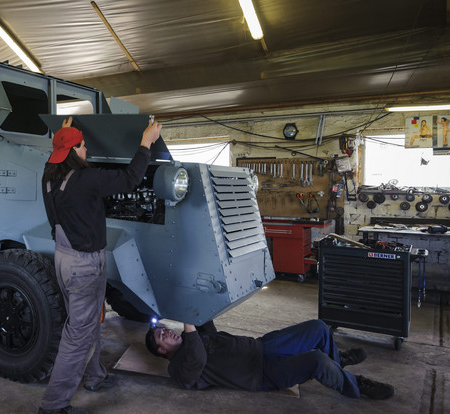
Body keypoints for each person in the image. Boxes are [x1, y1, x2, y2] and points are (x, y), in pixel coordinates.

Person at [38, 116, 162, 414]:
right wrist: (146, 141)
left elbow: (57, 154)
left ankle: (94, 376)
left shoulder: (48, 177)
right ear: (72, 152)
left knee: (90, 321)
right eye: (82, 146)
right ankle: (53, 405)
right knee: (78, 334)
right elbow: (131, 179)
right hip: (85, 265)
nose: (86, 149)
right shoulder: (86, 180)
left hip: (64, 259)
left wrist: (64, 133)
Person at [145, 319, 395, 400]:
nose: (167, 331)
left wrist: (198, 305)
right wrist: (189, 325)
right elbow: (196, 359)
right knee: (316, 361)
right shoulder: (178, 368)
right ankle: (357, 386)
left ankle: (338, 360)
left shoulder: (195, 337)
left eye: (165, 328)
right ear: (160, 351)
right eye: (161, 335)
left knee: (318, 328)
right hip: (263, 372)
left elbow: (207, 328)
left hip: (263, 346)